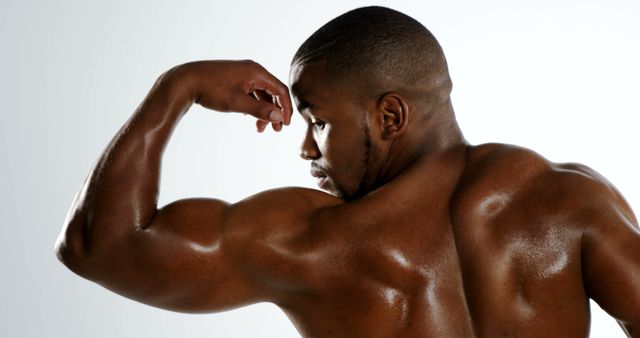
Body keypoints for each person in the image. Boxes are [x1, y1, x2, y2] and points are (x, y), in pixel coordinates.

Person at [55, 6, 640, 337]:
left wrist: (177, 87)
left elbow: (98, 247)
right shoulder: (569, 201)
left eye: (318, 122)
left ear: (390, 116)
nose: (307, 149)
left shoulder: (315, 242)